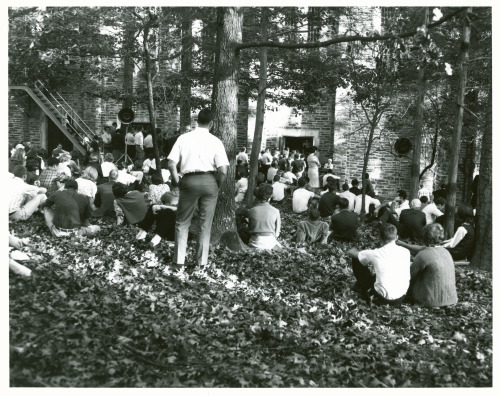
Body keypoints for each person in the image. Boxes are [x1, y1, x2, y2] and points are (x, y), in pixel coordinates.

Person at [167, 108, 229, 270]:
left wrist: (175, 180)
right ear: (212, 124)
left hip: (188, 180)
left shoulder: (183, 138)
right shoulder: (216, 141)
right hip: (210, 180)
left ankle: (179, 261)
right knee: (205, 224)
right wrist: (217, 184)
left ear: (197, 120)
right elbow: (223, 170)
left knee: (182, 222)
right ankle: (200, 263)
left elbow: (171, 163)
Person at [347, 224, 411, 305]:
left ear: (379, 238)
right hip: (400, 297)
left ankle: (363, 288)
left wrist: (354, 249)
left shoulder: (376, 253)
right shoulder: (406, 252)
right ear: (396, 237)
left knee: (357, 258)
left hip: (381, 298)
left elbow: (350, 253)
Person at [398, 223, 457, 307]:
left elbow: (410, 275)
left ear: (425, 235)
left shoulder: (423, 255)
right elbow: (425, 249)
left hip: (430, 301)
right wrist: (404, 245)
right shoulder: (446, 252)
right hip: (451, 299)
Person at [247, 183, 281, 250]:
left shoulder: (251, 211)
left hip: (255, 242)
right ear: (270, 197)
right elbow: (277, 233)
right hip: (270, 243)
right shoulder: (276, 211)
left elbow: (250, 229)